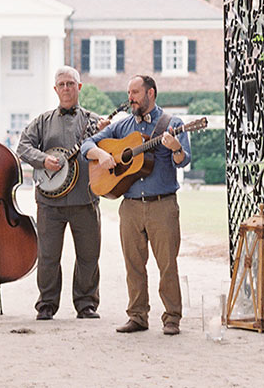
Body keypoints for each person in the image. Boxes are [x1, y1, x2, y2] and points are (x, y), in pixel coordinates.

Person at [82, 74, 191, 336]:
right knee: (133, 264)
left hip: (162, 205)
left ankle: (172, 318)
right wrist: (102, 155)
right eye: (129, 93)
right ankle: (137, 316)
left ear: (151, 93)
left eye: (135, 93)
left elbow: (183, 161)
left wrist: (175, 147)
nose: (130, 98)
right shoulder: (122, 126)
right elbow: (87, 144)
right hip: (129, 206)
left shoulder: (172, 123)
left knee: (167, 264)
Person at [17, 66, 109, 321]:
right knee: (47, 255)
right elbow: (23, 147)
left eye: (71, 84)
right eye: (62, 84)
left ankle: (86, 304)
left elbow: (109, 146)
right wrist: (43, 159)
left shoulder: (95, 121)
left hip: (85, 199)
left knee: (89, 255)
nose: (66, 88)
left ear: (79, 87)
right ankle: (46, 304)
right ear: (55, 89)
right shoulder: (42, 121)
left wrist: (104, 132)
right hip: (50, 202)